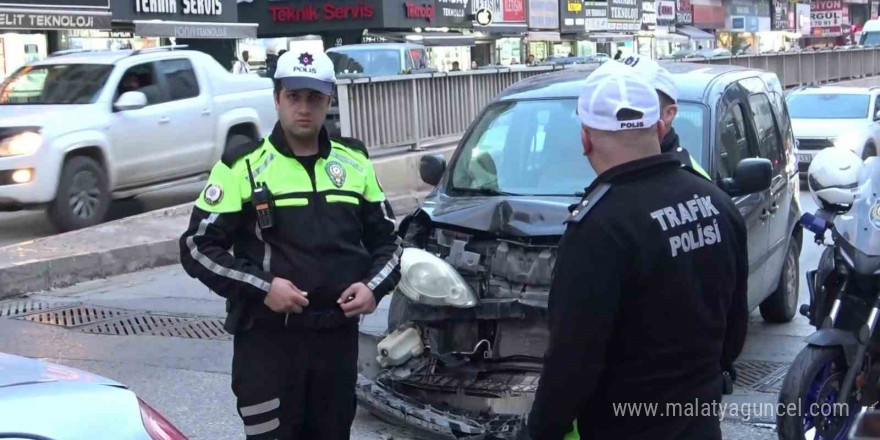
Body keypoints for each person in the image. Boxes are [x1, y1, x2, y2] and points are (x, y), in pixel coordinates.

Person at [179, 46, 402, 440]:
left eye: (314, 98)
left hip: (336, 341)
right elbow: (197, 246)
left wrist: (372, 288)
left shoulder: (355, 162)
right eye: (294, 97)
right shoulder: (241, 166)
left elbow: (391, 243)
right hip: (269, 344)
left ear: (329, 100)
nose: (304, 108)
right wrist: (264, 288)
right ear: (277, 98)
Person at [522, 60, 748, 440]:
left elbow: (573, 362)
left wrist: (540, 431)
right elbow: (735, 328)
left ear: (586, 139)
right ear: (659, 126)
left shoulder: (599, 227)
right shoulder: (716, 201)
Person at [619, 54, 710, 180]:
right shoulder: (600, 155)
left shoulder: (692, 182)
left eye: (637, 104)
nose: (620, 111)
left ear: (668, 114)